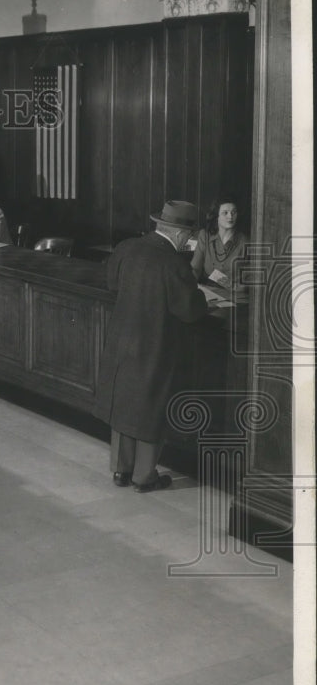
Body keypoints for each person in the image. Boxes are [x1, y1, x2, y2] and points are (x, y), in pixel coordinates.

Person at [93, 200, 209, 493]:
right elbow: (190, 310)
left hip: (122, 339)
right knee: (151, 406)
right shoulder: (173, 263)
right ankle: (144, 476)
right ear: (183, 235)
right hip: (154, 344)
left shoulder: (127, 248)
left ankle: (121, 470)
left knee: (125, 401)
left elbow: (112, 284)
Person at [190, 199, 249, 289]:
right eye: (225, 213)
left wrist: (231, 285)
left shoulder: (245, 241)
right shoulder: (205, 236)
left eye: (234, 212)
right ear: (216, 216)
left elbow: (252, 281)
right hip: (209, 292)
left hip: (234, 295)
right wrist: (188, 285)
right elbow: (195, 268)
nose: (230, 216)